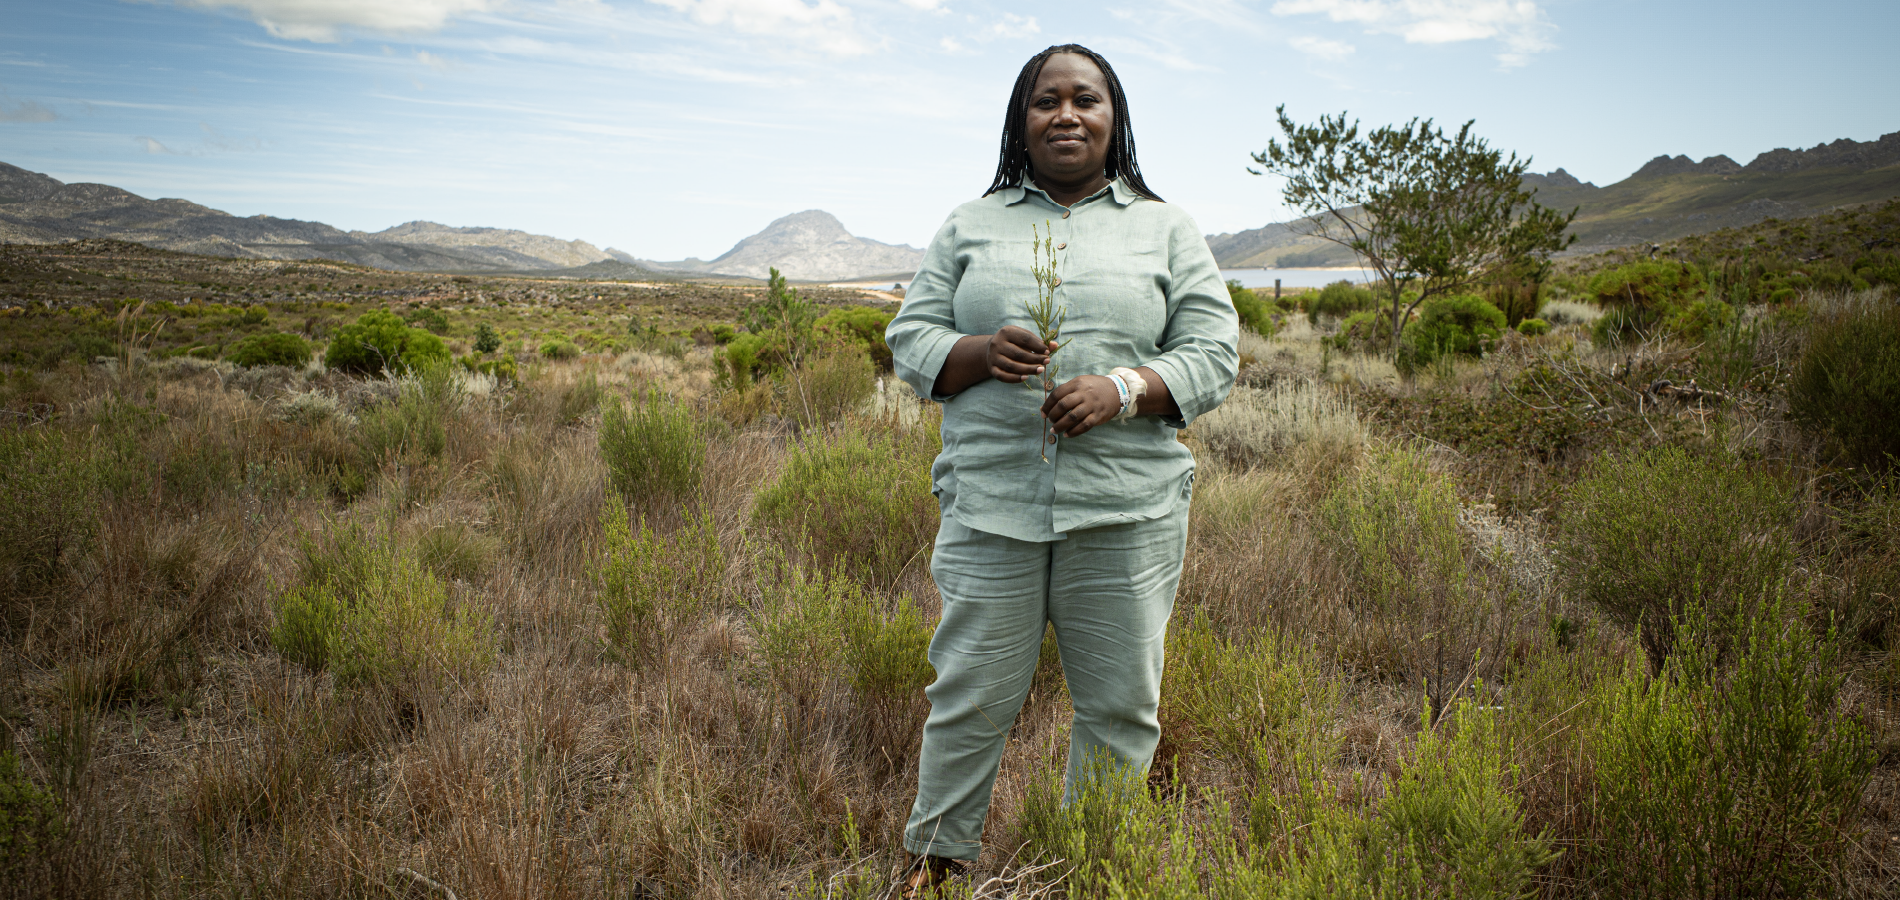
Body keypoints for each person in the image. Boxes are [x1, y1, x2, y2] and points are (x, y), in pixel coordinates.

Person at [884, 43, 1239, 896]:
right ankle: (936, 866)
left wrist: (1125, 389)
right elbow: (909, 338)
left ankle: (1091, 870)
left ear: (1115, 121)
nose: (1067, 114)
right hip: (989, 507)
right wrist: (975, 350)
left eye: (1087, 99)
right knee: (970, 698)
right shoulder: (972, 223)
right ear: (1022, 120)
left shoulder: (1165, 227)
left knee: (1119, 709)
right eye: (1047, 101)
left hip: (1126, 513)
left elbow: (1216, 350)